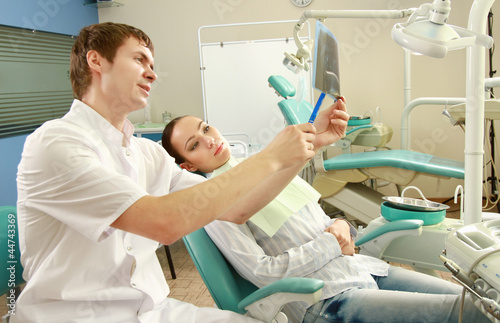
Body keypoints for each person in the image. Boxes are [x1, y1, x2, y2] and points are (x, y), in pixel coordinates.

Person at [14, 22, 349, 323]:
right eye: (139, 60)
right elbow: (164, 222)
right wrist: (272, 156)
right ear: (96, 60)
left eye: (152, 65)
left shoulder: (147, 154)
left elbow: (236, 208)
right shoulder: (55, 143)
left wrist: (311, 146)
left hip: (153, 311)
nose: (152, 74)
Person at [163, 115, 490, 323]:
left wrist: (340, 227)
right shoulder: (215, 208)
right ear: (188, 166)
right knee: (472, 314)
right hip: (327, 299)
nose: (209, 138)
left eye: (206, 127)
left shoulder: (257, 167)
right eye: (195, 144)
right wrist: (332, 241)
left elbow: (325, 224)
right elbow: (263, 272)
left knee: (480, 301)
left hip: (363, 271)